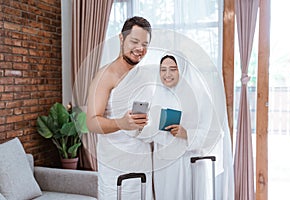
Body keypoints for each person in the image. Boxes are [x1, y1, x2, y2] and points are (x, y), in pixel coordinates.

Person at [139, 52, 234, 200]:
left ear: (183, 70)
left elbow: (215, 132)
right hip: (162, 166)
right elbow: (147, 131)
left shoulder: (199, 97)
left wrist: (187, 134)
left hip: (188, 164)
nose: (167, 74)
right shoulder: (156, 95)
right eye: (163, 69)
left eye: (173, 69)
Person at [86, 16, 154, 200]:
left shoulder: (145, 76)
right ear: (121, 38)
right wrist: (122, 123)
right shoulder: (105, 76)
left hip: (143, 161)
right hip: (115, 164)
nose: (140, 49)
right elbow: (92, 122)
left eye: (145, 44)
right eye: (134, 41)